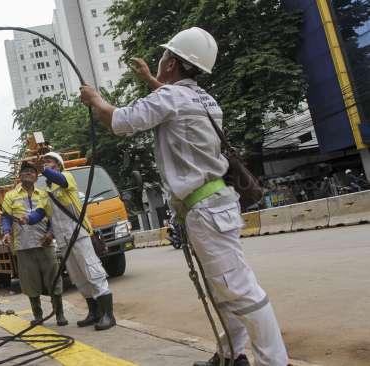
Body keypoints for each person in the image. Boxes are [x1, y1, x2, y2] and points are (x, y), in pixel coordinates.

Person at [79, 27, 288, 366]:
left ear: (172, 63)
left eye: (164, 57)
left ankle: (274, 361)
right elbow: (172, 103)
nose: (160, 61)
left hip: (205, 209)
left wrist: (94, 100)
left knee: (240, 290)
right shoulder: (204, 100)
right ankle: (231, 354)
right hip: (213, 204)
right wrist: (150, 79)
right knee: (224, 290)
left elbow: (118, 121)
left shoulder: (170, 99)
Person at [27, 152, 116, 331]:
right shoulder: (46, 192)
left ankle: (108, 314)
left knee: (92, 271)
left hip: (79, 234)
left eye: (49, 161)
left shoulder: (67, 178)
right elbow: (40, 213)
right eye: (44, 162)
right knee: (78, 277)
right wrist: (26, 219)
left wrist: (42, 170)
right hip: (63, 240)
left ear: (58, 165)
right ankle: (94, 312)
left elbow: (57, 178)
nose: (45, 164)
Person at [1, 161, 68, 326]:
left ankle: (59, 314)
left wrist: (51, 233)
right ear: (19, 176)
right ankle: (38, 316)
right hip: (23, 247)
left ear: (36, 175)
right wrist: (6, 233)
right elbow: (6, 217)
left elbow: (53, 216)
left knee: (54, 280)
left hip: (45, 244)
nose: (28, 174)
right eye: (24, 172)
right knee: (30, 283)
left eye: (31, 171)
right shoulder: (10, 195)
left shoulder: (44, 194)